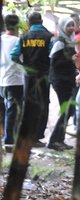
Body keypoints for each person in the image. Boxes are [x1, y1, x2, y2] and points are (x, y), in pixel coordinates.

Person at [10, 12, 54, 147]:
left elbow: (14, 55)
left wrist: (24, 65)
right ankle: (38, 136)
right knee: (43, 104)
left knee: (28, 105)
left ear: (29, 22)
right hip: (44, 76)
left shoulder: (24, 37)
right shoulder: (48, 37)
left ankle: (27, 136)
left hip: (29, 76)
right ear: (41, 21)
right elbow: (52, 55)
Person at [47, 17, 77, 151]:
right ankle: (54, 141)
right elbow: (54, 63)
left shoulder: (70, 41)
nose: (71, 28)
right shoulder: (59, 43)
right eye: (68, 25)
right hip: (60, 81)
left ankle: (59, 140)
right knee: (67, 110)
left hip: (67, 80)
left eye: (72, 25)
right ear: (63, 27)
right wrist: (70, 59)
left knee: (68, 110)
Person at [0, 14, 24, 152]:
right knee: (12, 111)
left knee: (5, 110)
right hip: (14, 80)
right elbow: (22, 58)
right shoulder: (18, 41)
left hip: (1, 80)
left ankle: (6, 137)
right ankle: (9, 141)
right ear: (17, 25)